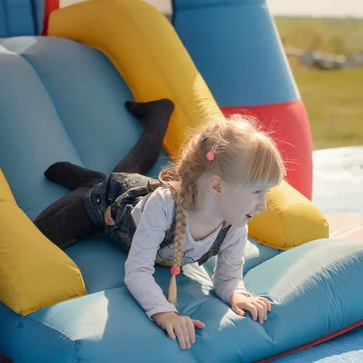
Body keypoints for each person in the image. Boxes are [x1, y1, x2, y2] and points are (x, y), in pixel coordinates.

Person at [34, 99, 286, 351]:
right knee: (41, 236)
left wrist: (238, 295)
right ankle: (90, 182)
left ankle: (158, 112)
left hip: (140, 193)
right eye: (257, 192)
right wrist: (163, 312)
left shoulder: (234, 225)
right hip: (110, 203)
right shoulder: (164, 206)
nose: (262, 205)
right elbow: (137, 271)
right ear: (217, 186)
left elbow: (228, 278)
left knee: (131, 168)